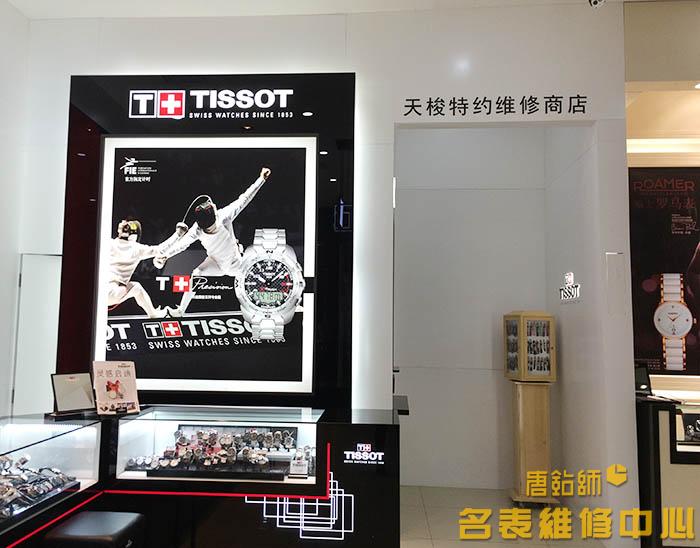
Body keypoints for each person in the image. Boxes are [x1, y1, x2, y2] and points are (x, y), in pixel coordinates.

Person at [160, 167, 271, 317]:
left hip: (235, 264)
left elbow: (182, 244)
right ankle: (180, 311)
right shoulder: (222, 217)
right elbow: (244, 199)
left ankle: (274, 304)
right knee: (197, 273)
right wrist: (261, 179)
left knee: (256, 277)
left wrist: (166, 255)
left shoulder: (200, 227)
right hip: (215, 263)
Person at [108, 219, 180, 318]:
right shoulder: (137, 249)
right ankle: (153, 314)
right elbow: (161, 249)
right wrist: (178, 235)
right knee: (136, 288)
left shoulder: (108, 243)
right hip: (112, 294)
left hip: (96, 291)